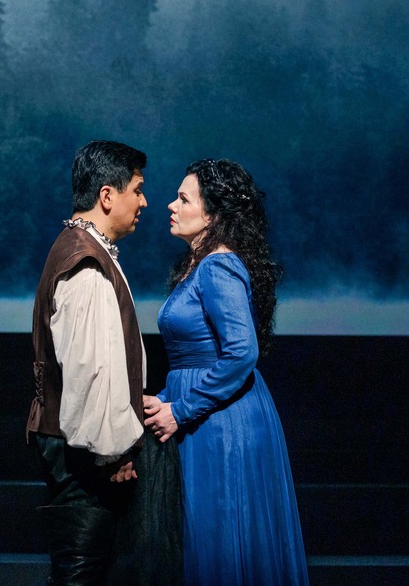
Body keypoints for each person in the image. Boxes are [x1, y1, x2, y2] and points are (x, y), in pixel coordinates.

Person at [143, 158, 308, 585]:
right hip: (206, 415)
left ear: (213, 216)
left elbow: (240, 353)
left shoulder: (218, 266)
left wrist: (180, 410)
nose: (171, 206)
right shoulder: (199, 266)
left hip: (222, 425)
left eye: (184, 199)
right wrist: (165, 399)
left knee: (221, 541)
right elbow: (196, 355)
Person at [27, 140, 150, 585]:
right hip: (84, 457)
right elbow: (90, 372)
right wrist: (113, 452)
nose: (143, 202)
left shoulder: (83, 250)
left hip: (80, 452)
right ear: (107, 195)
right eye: (137, 190)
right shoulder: (85, 264)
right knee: (80, 574)